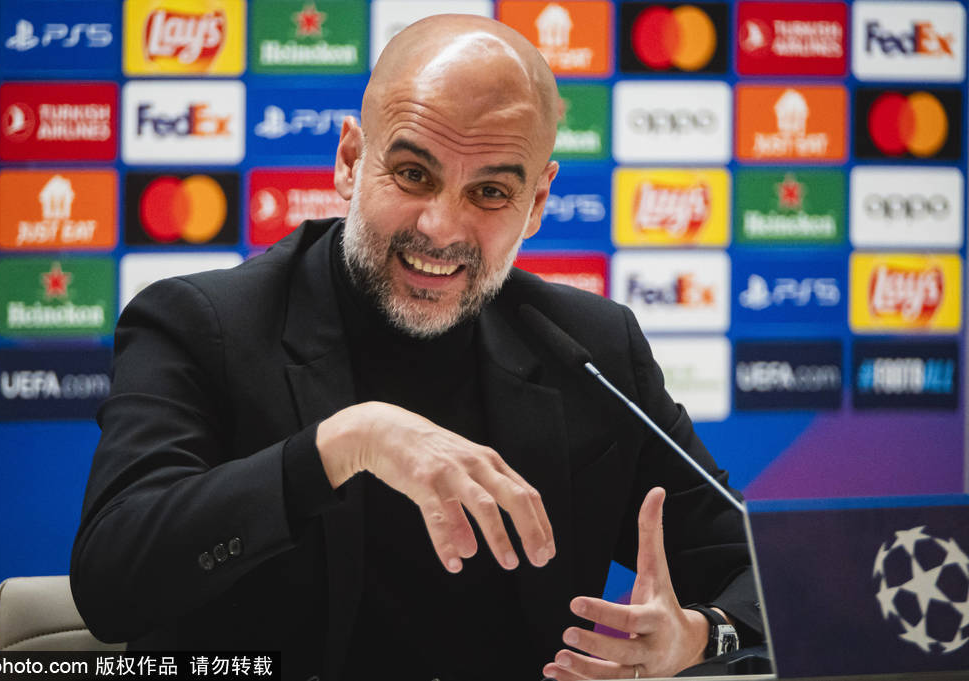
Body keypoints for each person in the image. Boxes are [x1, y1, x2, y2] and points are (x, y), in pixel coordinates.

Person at [71, 14, 761, 681]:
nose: (441, 227)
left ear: (537, 202)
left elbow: (760, 566)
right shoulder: (202, 325)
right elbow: (111, 578)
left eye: (489, 191)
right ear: (351, 160)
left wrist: (704, 633)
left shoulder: (591, 348)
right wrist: (343, 446)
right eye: (413, 174)